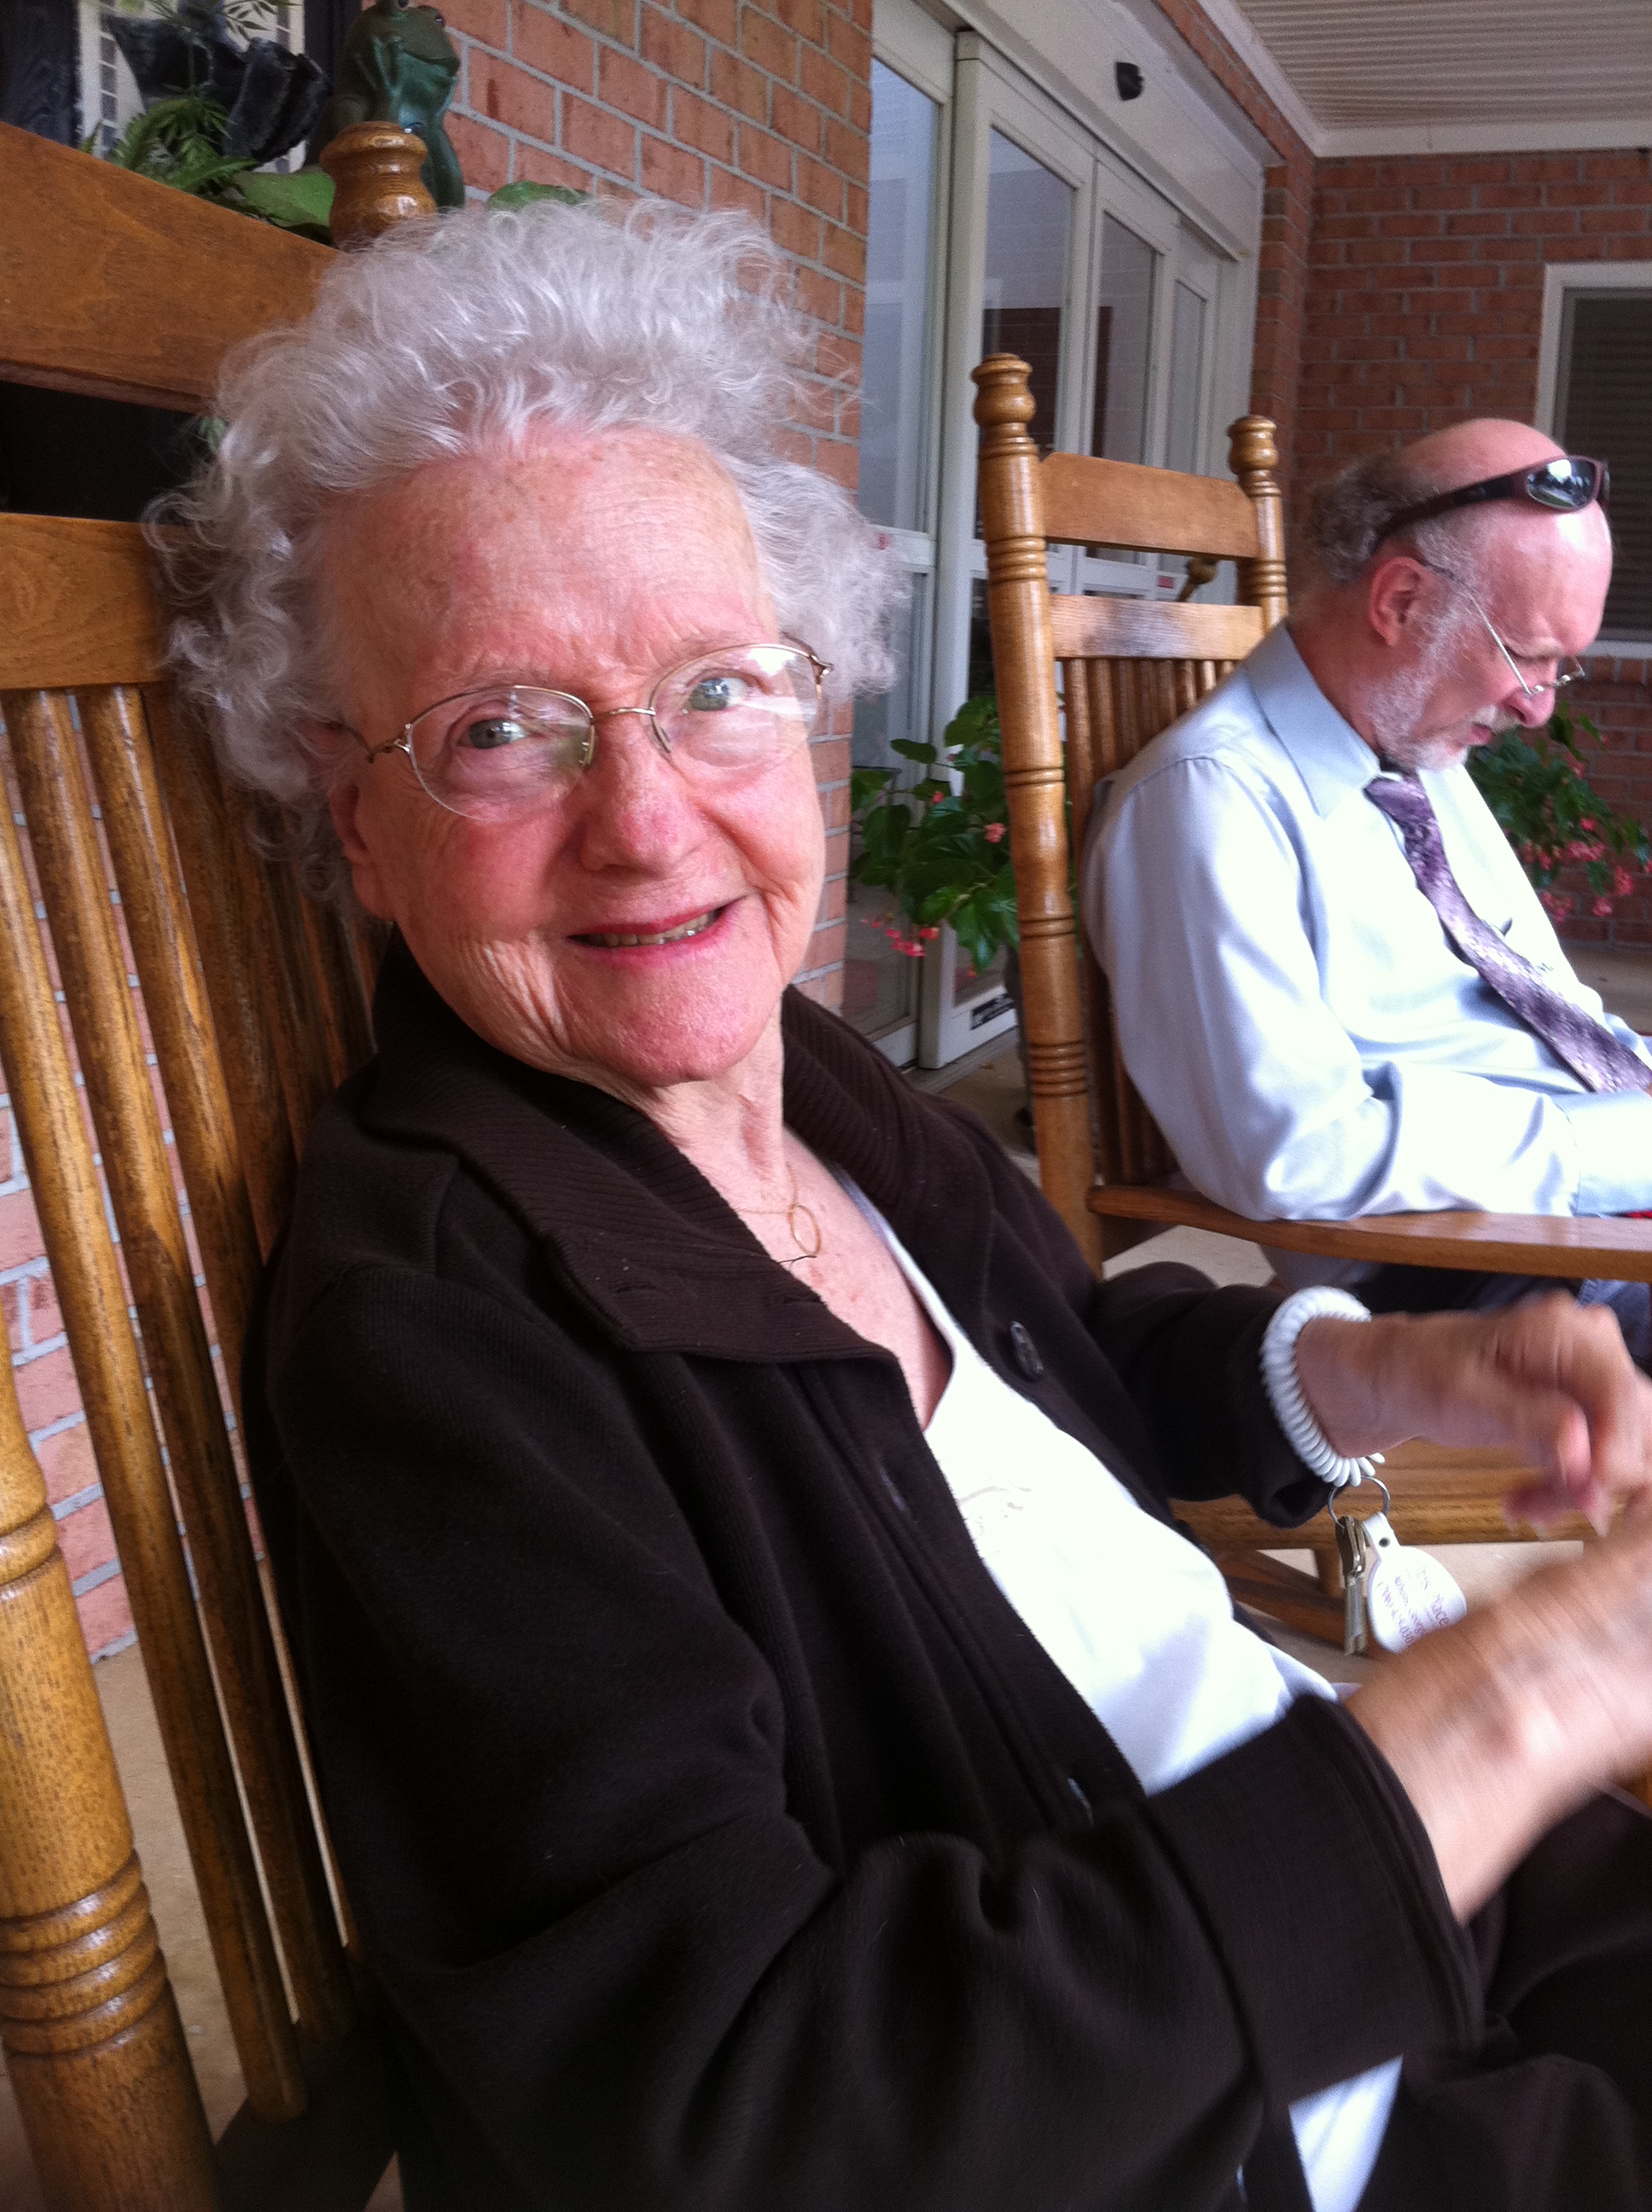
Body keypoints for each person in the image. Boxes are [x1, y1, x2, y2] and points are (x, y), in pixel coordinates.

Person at [161, 201, 1652, 2212]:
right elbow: (739, 2103)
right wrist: (1527, 1689)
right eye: (501, 728)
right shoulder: (436, 1323)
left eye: (717, 688)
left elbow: (1065, 1355)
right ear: (356, 813)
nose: (646, 816)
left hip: (1365, 1865)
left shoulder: (810, 1077)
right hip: (1251, 2101)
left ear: (813, 698)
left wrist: (1402, 1366)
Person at [1087, 422, 1652, 1347]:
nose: (1539, 704)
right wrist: (1632, 1150)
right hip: (1492, 1282)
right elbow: (1289, 1153)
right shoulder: (1208, 802)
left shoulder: (1419, 764)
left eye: (1562, 663)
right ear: (1398, 600)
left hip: (1575, 1209)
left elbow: (1559, 1010)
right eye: (1526, 655)